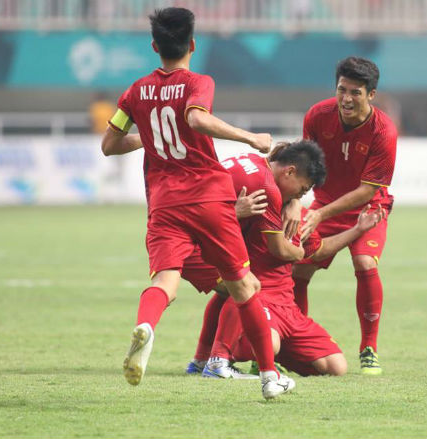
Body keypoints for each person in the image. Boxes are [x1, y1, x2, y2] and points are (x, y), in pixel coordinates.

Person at [100, 7, 293, 400]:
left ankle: (147, 327)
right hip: (208, 196)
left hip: (164, 202)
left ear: (154, 46)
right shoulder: (198, 82)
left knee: (164, 283)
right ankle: (270, 378)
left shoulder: (135, 91)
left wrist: (150, 135)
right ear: (192, 44)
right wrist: (250, 138)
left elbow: (109, 145)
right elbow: (196, 119)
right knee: (245, 286)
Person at [182, 141, 384, 377]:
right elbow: (279, 249)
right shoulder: (260, 198)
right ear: (289, 172)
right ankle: (215, 358)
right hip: (259, 298)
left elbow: (318, 250)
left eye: (304, 193)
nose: (301, 195)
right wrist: (298, 252)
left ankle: (211, 358)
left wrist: (357, 230)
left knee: (336, 367)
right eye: (302, 190)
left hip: (288, 307)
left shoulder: (294, 211)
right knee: (240, 287)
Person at [294, 56, 397, 375]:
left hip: (368, 208)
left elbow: (368, 191)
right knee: (298, 269)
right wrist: (294, 203)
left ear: (371, 95)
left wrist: (319, 214)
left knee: (365, 263)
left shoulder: (384, 132)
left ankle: (369, 348)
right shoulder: (317, 116)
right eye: (342, 90)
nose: (347, 99)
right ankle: (289, 342)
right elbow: (306, 166)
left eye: (355, 92)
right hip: (325, 203)